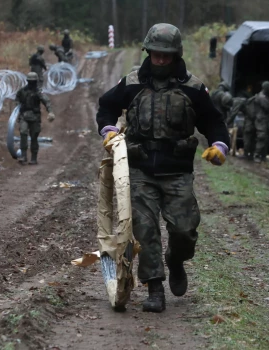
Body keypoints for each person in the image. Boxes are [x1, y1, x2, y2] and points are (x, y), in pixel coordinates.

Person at [96, 23, 230, 313]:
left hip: (177, 171)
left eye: (165, 56)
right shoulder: (132, 82)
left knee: (185, 231)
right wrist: (108, 130)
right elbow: (106, 105)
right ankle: (155, 288)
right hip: (140, 169)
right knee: (145, 230)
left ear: (176, 55)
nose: (159, 60)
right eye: (155, 54)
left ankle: (176, 260)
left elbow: (213, 121)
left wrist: (219, 146)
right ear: (148, 52)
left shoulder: (193, 88)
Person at [15, 72, 55, 165]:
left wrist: (50, 111)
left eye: (33, 82)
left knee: (34, 137)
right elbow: (17, 99)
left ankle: (33, 158)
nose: (32, 83)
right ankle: (23, 156)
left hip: (35, 117)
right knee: (23, 133)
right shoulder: (22, 91)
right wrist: (18, 107)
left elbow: (46, 101)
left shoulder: (38, 92)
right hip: (24, 116)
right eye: (30, 81)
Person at [250, 81, 269, 163]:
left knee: (265, 138)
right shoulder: (262, 97)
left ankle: (263, 156)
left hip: (263, 119)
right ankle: (256, 155)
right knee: (261, 137)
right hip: (261, 120)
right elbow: (267, 107)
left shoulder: (263, 96)